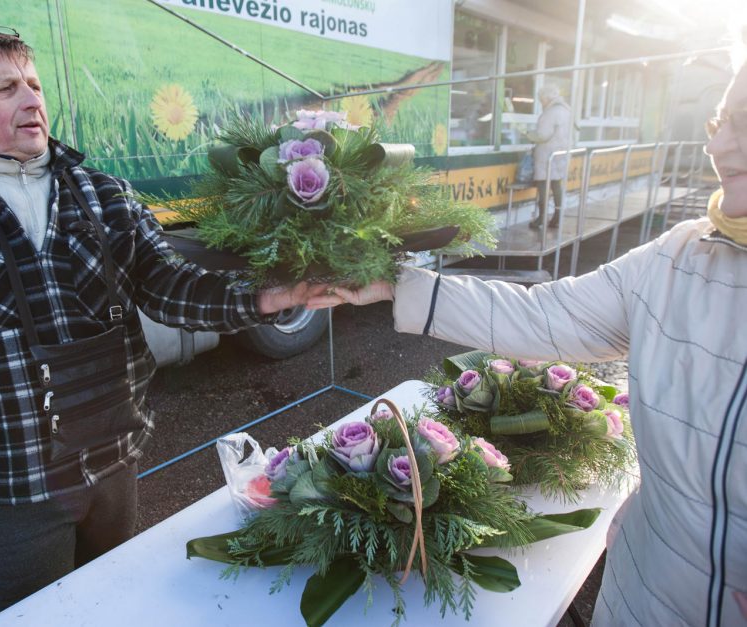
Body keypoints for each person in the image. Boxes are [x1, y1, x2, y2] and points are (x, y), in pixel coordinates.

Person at [0, 26, 321, 613]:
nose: (32, 100)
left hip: (112, 460)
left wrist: (271, 296)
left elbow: (169, 288)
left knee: (113, 600)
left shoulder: (104, 193)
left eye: (34, 85)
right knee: (39, 616)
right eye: (6, 88)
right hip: (5, 483)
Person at [308, 61, 747, 625]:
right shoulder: (678, 257)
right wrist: (397, 284)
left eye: (744, 122)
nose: (721, 145)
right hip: (643, 595)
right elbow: (544, 314)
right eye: (718, 122)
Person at [527, 84, 572, 229]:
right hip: (561, 152)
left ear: (547, 98)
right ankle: (557, 217)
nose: (541, 102)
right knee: (556, 184)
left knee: (543, 185)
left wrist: (529, 135)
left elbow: (542, 135)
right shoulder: (566, 110)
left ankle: (541, 218)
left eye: (541, 99)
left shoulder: (550, 112)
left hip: (547, 153)